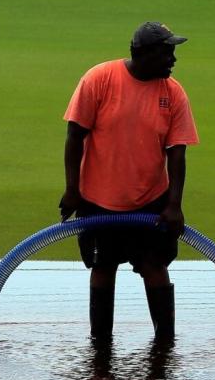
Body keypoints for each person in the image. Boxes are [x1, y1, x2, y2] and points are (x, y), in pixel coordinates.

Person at [59, 21, 200, 342]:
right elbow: (75, 135)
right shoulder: (99, 79)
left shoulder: (173, 93)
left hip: (151, 201)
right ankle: (100, 344)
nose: (173, 60)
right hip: (96, 199)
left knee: (154, 266)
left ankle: (165, 343)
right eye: (167, 53)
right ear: (144, 54)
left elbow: (177, 155)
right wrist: (72, 190)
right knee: (103, 267)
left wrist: (175, 206)